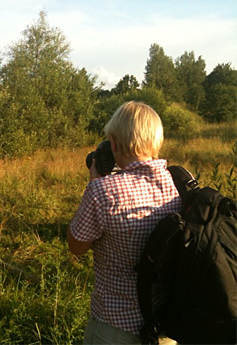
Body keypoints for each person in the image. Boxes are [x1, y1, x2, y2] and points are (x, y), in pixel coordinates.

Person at [67, 101, 182, 344]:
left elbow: (76, 247)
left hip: (113, 327)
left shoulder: (102, 190)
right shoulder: (180, 185)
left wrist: (94, 182)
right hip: (167, 327)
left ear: (114, 143)